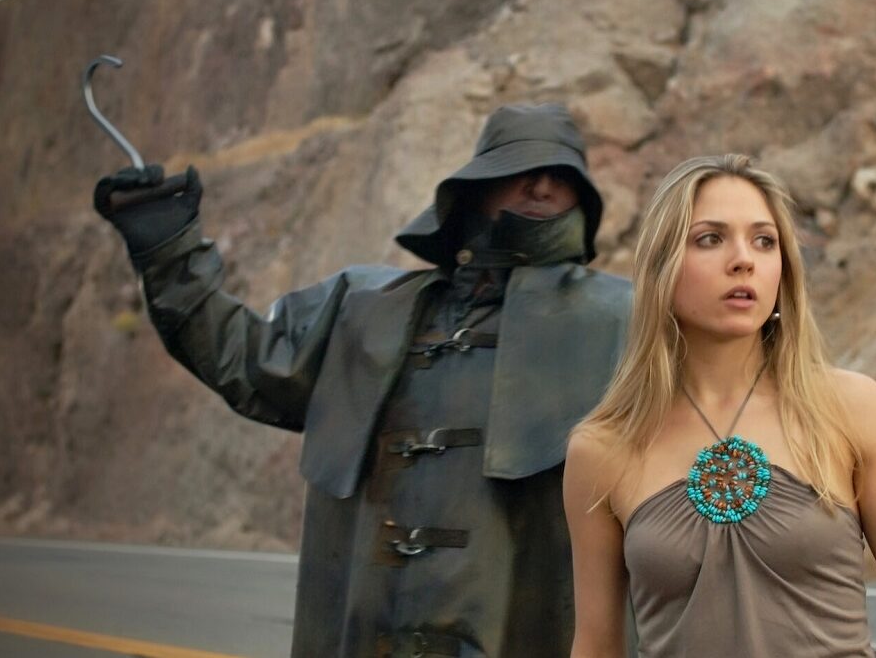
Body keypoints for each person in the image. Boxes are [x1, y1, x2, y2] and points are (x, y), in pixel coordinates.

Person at [92, 103, 632, 657]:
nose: (542, 186)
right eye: (521, 168)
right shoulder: (366, 308)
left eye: (562, 175)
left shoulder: (624, 321)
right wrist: (169, 252)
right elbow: (246, 359)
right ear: (476, 185)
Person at [564, 154, 876, 657]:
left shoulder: (848, 408)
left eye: (763, 241)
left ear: (783, 270)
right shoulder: (602, 449)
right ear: (662, 266)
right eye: (710, 238)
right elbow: (596, 645)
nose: (743, 260)